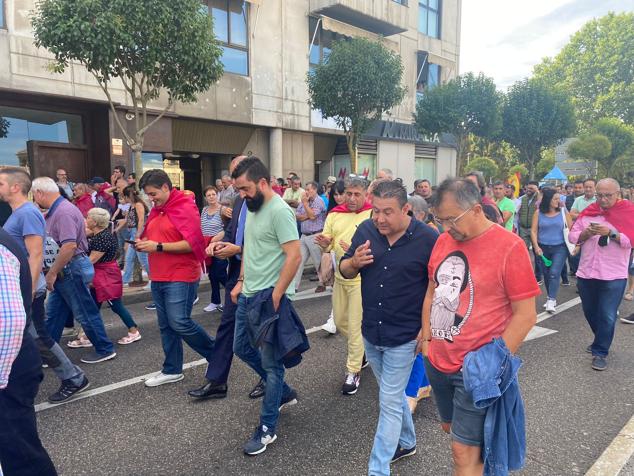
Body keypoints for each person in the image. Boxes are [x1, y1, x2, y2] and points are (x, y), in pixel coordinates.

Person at [422, 178, 539, 475]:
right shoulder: (443, 240)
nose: (446, 227)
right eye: (440, 219)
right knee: (452, 431)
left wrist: (492, 364)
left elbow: (525, 315)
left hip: (475, 370)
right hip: (437, 361)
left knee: (463, 452)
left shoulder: (509, 246)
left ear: (476, 209)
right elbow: (432, 290)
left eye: (451, 218)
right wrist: (426, 338)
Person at [340, 181, 438, 475]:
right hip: (371, 330)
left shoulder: (428, 239)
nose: (380, 219)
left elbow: (439, 288)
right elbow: (344, 269)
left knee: (389, 401)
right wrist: (354, 262)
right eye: (376, 211)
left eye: (388, 212)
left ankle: (378, 469)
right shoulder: (367, 231)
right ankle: (407, 441)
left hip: (405, 336)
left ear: (406, 209)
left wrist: (427, 330)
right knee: (392, 397)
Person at [228, 156, 304, 455]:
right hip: (248, 293)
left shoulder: (280, 211)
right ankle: (283, 393)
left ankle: (267, 428)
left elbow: (294, 256)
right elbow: (250, 247)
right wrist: (240, 281)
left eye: (245, 189)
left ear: (262, 183)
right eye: (239, 190)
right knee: (241, 348)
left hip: (269, 299)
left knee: (272, 366)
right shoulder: (252, 206)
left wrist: (276, 295)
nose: (242, 195)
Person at [0, 167, 89, 403]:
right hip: (20, 288)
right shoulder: (20, 212)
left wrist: (26, 291)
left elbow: (35, 254)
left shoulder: (27, 213)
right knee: (30, 336)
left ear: (15, 187)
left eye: (1, 184)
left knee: (38, 336)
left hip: (27, 289)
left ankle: (73, 377)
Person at [188, 156, 265, 402]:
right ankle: (217, 380)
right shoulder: (239, 201)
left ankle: (271, 377)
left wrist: (238, 250)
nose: (234, 181)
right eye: (233, 176)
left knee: (259, 330)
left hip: (261, 276)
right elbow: (233, 232)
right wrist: (219, 242)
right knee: (227, 327)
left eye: (239, 175)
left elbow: (271, 246)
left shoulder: (267, 203)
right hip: (237, 273)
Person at [135, 170, 215, 387]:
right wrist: (144, 242)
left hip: (181, 274)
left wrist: (157, 246)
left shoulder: (184, 207)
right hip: (159, 274)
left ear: (165, 187)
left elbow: (193, 244)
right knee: (166, 325)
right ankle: (172, 369)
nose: (151, 199)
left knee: (179, 322)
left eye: (153, 194)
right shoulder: (158, 210)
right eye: (148, 195)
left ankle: (216, 354)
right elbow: (155, 235)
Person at [31, 177, 117, 364]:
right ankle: (48, 354)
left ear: (39, 193)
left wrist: (52, 272)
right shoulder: (60, 209)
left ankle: (104, 348)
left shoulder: (63, 212)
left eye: (33, 195)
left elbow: (69, 246)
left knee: (84, 313)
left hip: (69, 268)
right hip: (66, 268)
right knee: (54, 314)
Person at [0, 226, 58, 476]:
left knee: (18, 454)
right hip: (12, 362)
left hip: (8, 365)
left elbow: (8, 319)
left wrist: (0, 377)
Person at [569, 178, 634, 370]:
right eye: (600, 195)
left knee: (607, 315)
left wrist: (611, 233)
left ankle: (600, 351)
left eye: (608, 195)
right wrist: (585, 235)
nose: (603, 199)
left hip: (613, 275)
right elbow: (573, 236)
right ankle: (601, 338)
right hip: (587, 272)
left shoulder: (628, 213)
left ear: (617, 194)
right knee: (590, 312)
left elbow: (631, 241)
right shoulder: (589, 212)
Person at [316, 177, 373, 395]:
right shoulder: (334, 213)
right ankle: (363, 351)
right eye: (348, 193)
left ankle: (353, 371)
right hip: (340, 277)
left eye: (357, 194)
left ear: (366, 194)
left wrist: (355, 252)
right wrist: (325, 244)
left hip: (362, 279)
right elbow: (329, 242)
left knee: (356, 326)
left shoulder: (371, 214)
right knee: (340, 323)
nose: (351, 198)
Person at [85, 208, 141, 345]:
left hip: (105, 275)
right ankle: (87, 336)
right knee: (93, 306)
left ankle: (134, 331)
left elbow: (90, 260)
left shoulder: (101, 238)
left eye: (88, 217)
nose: (86, 219)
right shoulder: (101, 234)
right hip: (103, 274)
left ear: (95, 222)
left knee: (115, 305)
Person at [531, 188, 573, 313]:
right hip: (543, 247)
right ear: (548, 200)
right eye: (555, 199)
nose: (558, 201)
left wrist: (576, 245)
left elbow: (571, 228)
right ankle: (551, 297)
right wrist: (536, 246)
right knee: (547, 273)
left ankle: (551, 299)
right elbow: (534, 231)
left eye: (559, 198)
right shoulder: (538, 213)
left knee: (554, 272)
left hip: (560, 247)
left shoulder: (563, 212)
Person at [294, 181, 327, 293]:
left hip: (315, 235)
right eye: (306, 190)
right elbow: (297, 216)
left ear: (315, 190)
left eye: (308, 190)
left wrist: (306, 206)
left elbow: (313, 216)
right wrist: (307, 213)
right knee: (298, 260)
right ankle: (294, 286)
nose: (306, 192)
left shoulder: (319, 201)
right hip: (304, 235)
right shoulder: (304, 201)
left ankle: (322, 283)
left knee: (318, 261)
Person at [200, 185, 227, 313]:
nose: (211, 197)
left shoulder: (223, 209)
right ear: (205, 198)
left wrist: (214, 240)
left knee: (220, 274)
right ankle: (215, 301)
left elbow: (227, 229)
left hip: (219, 246)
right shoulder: (204, 210)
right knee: (212, 275)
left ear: (218, 195)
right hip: (207, 247)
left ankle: (236, 296)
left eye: (213, 194)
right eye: (208, 195)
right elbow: (202, 227)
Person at [121, 185, 150, 287]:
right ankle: (125, 280)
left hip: (138, 233)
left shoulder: (138, 205)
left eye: (124, 196)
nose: (124, 199)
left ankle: (153, 279)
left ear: (128, 196)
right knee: (129, 258)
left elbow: (142, 219)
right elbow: (128, 221)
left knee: (143, 259)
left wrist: (138, 234)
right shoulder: (131, 206)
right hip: (133, 233)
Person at [516, 181, 542, 284]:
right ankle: (524, 273)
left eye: (532, 188)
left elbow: (541, 204)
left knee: (537, 252)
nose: (529, 190)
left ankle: (538, 276)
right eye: (527, 188)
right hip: (523, 228)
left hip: (535, 229)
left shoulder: (539, 198)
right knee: (523, 252)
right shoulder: (522, 199)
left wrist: (537, 192)